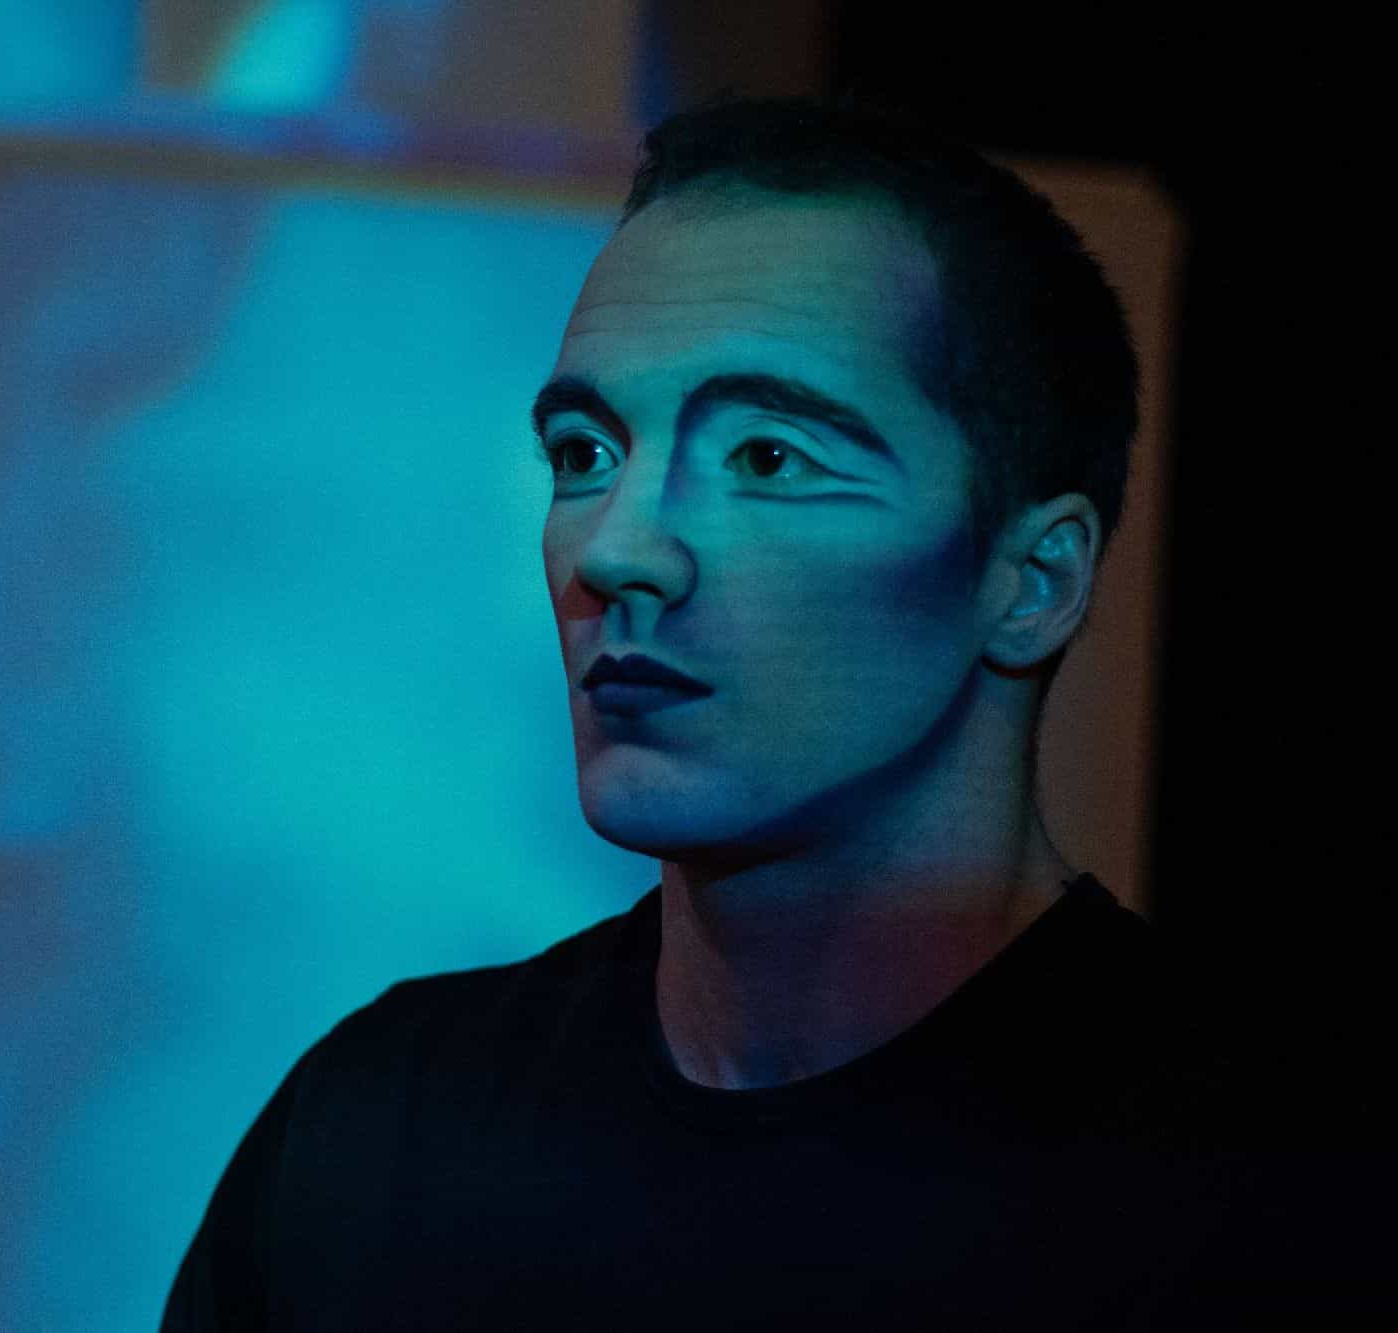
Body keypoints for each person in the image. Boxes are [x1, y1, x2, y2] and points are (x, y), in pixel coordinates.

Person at [161, 93, 1373, 1330]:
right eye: (583, 453)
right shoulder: (373, 1137)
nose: (617, 549)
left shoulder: (1279, 1204)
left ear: (1030, 581)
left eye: (766, 458)